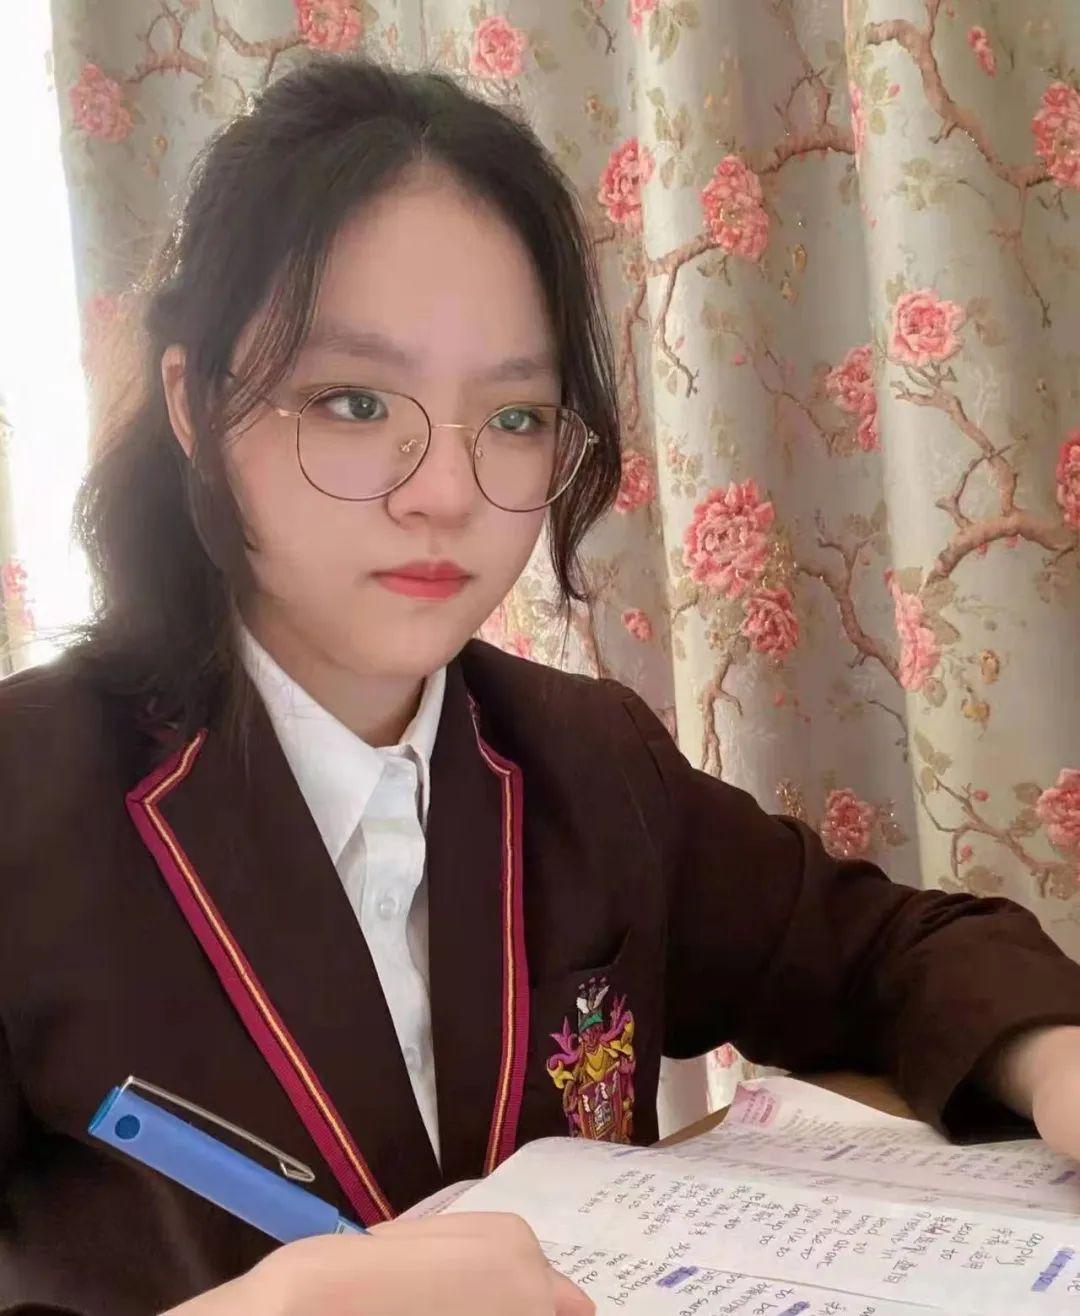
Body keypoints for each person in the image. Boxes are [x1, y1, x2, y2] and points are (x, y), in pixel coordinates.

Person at [2, 57, 1080, 1316]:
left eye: (513, 417)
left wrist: (1053, 1059)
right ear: (195, 403)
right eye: (354, 402)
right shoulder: (29, 800)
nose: (443, 491)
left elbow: (888, 949)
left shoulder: (583, 756)